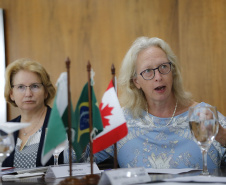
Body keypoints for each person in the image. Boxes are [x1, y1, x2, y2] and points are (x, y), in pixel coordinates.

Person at [89, 36, 226, 169]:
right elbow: (77, 156)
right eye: (148, 71)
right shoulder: (121, 121)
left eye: (163, 67)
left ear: (172, 71)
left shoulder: (204, 114)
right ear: (136, 81)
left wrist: (221, 135)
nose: (158, 77)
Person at [3, 58, 66, 168]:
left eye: (35, 86)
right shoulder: (4, 131)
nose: (28, 93)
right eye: (21, 87)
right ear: (11, 93)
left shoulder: (63, 124)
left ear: (46, 91)